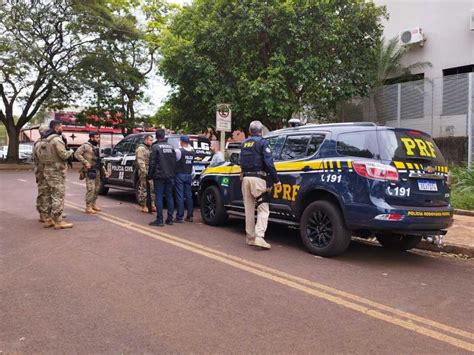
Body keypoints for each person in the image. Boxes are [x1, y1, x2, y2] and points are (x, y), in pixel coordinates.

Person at [240, 120, 281, 249]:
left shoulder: (244, 144)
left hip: (246, 179)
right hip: (258, 179)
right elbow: (269, 163)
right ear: (261, 131)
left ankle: (250, 238)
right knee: (263, 208)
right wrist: (276, 180)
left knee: (249, 209)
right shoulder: (263, 143)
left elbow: (241, 162)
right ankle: (259, 236)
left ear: (249, 131)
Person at [37, 120, 74, 229]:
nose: (63, 128)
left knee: (48, 195)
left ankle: (48, 219)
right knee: (58, 195)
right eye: (61, 126)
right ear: (57, 127)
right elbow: (63, 155)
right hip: (56, 171)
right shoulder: (56, 140)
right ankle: (58, 221)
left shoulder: (44, 140)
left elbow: (39, 156)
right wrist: (71, 151)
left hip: (47, 170)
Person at [148, 128, 176, 227]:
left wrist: (149, 175)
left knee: (159, 197)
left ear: (156, 136)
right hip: (170, 176)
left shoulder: (155, 147)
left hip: (159, 175)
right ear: (164, 136)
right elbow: (174, 162)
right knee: (169, 197)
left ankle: (159, 220)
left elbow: (152, 163)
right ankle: (170, 219)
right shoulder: (171, 147)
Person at [75, 131, 108, 214]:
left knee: (97, 189)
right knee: (91, 189)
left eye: (99, 137)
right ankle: (88, 206)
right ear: (91, 137)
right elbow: (77, 154)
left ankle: (93, 204)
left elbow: (99, 159)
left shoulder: (96, 146)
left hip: (97, 169)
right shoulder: (86, 146)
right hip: (90, 170)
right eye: (97, 137)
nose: (98, 139)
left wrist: (104, 170)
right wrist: (85, 162)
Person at [174, 135, 195, 223]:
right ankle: (190, 216)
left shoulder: (179, 151)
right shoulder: (192, 152)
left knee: (180, 196)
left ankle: (179, 216)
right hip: (188, 175)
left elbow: (175, 161)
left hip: (180, 175)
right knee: (189, 196)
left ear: (181, 142)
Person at [32, 124, 50, 223]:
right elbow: (44, 159)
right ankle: (43, 214)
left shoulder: (37, 143)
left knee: (44, 192)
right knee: (43, 193)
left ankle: (44, 213)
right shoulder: (41, 144)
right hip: (42, 171)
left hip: (41, 170)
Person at [135, 134, 156, 213]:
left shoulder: (149, 148)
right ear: (146, 140)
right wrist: (144, 171)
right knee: (144, 188)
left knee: (152, 188)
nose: (152, 142)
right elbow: (140, 161)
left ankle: (152, 204)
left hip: (150, 170)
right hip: (144, 171)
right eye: (150, 140)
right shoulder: (141, 148)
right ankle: (144, 205)